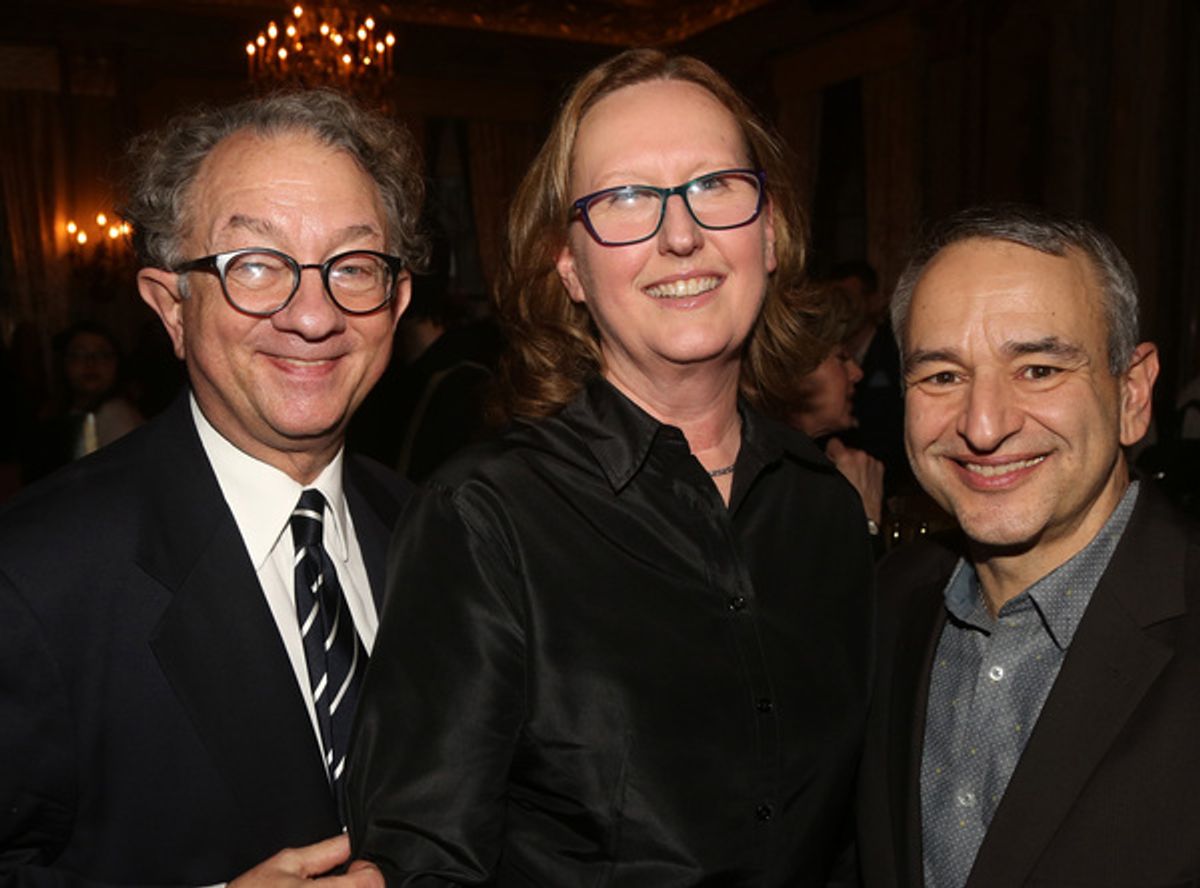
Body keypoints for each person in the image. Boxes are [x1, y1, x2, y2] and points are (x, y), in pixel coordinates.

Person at [348, 49, 874, 887]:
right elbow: (424, 864)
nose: (680, 234)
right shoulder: (484, 520)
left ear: (770, 233)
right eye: (625, 197)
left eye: (715, 184)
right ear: (570, 266)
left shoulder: (824, 508)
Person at [0, 89, 424, 884]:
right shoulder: (34, 573)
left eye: (353, 267)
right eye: (255, 265)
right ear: (171, 305)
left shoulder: (436, 532)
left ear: (395, 304)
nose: (312, 316)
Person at [855, 204, 1200, 887]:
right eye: (943, 376)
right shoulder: (888, 600)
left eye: (1038, 369)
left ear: (1133, 394)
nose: (983, 426)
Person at [790, 283, 885, 540]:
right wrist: (866, 519)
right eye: (842, 358)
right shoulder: (775, 482)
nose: (857, 373)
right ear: (797, 370)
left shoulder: (814, 463)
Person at [24, 321, 144, 481]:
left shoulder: (115, 414)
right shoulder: (54, 414)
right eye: (78, 355)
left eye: (103, 355)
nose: (90, 363)